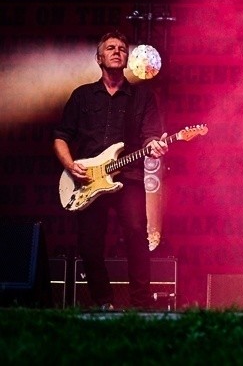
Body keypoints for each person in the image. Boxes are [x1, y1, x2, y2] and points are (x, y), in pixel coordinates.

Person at [53, 31, 168, 310]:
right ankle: (103, 302)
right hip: (87, 182)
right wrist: (70, 165)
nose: (117, 52)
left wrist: (154, 145)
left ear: (128, 59)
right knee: (90, 243)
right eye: (111, 48)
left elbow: (150, 136)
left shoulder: (142, 96)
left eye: (122, 49)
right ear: (99, 58)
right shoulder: (82, 96)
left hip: (127, 177)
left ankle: (140, 307)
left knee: (136, 235)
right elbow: (60, 137)